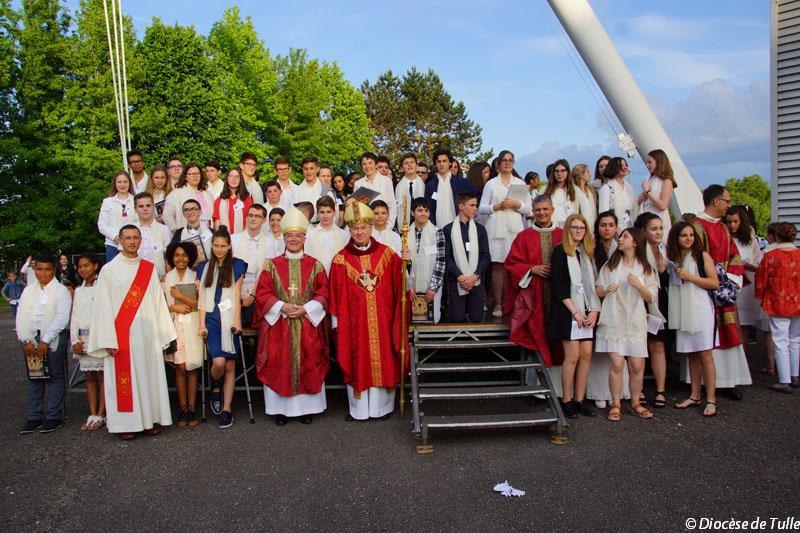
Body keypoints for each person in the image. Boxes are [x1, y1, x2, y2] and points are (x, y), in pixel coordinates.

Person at [87, 225, 177, 439]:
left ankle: (149, 420)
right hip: (121, 336)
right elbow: (103, 306)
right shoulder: (109, 270)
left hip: (147, 334)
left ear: (140, 240)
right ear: (119, 240)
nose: (132, 241)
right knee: (125, 382)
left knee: (149, 377)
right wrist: (108, 338)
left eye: (136, 237)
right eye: (127, 238)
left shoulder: (148, 268)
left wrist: (162, 334)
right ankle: (126, 425)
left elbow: (158, 302)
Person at [329, 201, 406, 421]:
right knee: (357, 359)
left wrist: (405, 264)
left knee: (383, 358)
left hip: (383, 320)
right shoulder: (340, 259)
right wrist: (337, 324)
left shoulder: (387, 254)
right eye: (355, 228)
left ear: (371, 228)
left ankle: (382, 408)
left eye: (363, 227)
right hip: (355, 324)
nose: (360, 232)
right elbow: (335, 294)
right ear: (350, 230)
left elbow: (400, 285)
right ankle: (359, 410)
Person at [254, 208, 330, 425]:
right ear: (284, 238)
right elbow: (262, 293)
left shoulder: (315, 265)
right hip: (280, 325)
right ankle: (281, 410)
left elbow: (324, 293)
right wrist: (282, 306)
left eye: (298, 235)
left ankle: (307, 409)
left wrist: (306, 309)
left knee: (309, 361)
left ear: (305, 238)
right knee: (279, 364)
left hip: (308, 325)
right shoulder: (271, 265)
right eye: (289, 235)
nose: (294, 239)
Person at [691, 184, 751, 399]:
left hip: (724, 289)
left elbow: (734, 256)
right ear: (716, 201)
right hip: (703, 289)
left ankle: (728, 380)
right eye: (727, 201)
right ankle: (702, 384)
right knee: (706, 337)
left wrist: (731, 279)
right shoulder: (696, 227)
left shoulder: (724, 228)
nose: (728, 205)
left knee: (727, 333)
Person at [595, 227, 658, 421]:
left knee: (637, 365)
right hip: (614, 318)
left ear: (635, 242)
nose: (620, 239)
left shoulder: (645, 268)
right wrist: (607, 289)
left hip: (635, 320)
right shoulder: (611, 265)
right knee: (617, 363)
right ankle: (616, 403)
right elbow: (598, 290)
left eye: (625, 237)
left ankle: (635, 402)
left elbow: (651, 297)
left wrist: (639, 285)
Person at [549, 213, 601, 418]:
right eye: (575, 227)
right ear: (568, 229)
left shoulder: (587, 253)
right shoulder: (560, 251)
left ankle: (580, 399)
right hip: (568, 311)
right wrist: (576, 312)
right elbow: (558, 286)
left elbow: (593, 285)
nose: (578, 231)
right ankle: (567, 400)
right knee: (572, 357)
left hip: (587, 310)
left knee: (586, 355)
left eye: (582, 228)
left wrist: (594, 310)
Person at [667, 222, 720, 416]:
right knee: (691, 354)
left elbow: (714, 282)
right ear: (676, 238)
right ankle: (695, 394)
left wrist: (690, 277)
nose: (688, 238)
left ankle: (711, 399)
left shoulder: (702, 256)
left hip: (701, 309)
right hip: (683, 309)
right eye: (684, 235)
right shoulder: (674, 258)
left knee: (705, 354)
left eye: (691, 235)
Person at [504, 194, 563, 367]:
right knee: (536, 331)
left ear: (552, 210)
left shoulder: (563, 235)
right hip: (534, 294)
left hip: (559, 295)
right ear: (533, 212)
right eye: (538, 210)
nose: (542, 213)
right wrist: (531, 269)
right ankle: (537, 370)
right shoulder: (523, 237)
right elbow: (511, 264)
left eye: (545, 209)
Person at [197, 228, 247, 429]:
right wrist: (201, 323)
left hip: (229, 318)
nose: (219, 249)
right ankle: (215, 383)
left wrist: (237, 321)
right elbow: (202, 297)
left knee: (229, 366)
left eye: (223, 246)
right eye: (216, 245)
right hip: (211, 318)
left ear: (229, 246)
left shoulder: (237, 265)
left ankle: (227, 409)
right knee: (218, 363)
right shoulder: (203, 267)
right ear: (211, 246)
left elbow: (236, 295)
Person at [17, 253, 72, 434]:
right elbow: (21, 316)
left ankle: (54, 415)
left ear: (53, 270)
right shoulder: (28, 291)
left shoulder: (60, 291)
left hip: (53, 338)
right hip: (31, 338)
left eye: (47, 269)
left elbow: (61, 318)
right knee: (35, 377)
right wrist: (26, 339)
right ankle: (34, 416)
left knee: (55, 376)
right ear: (35, 270)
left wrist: (46, 340)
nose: (43, 273)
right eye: (40, 269)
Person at [480, 150, 532, 318]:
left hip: (514, 228)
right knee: (497, 265)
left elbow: (529, 209)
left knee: (514, 266)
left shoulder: (520, 183)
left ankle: (513, 301)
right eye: (504, 160)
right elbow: (481, 208)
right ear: (499, 163)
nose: (507, 163)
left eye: (510, 160)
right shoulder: (491, 184)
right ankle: (498, 302)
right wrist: (496, 207)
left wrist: (516, 204)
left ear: (513, 163)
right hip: (496, 227)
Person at [755, 222, 800, 393]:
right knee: (795, 339)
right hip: (798, 301)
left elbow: (761, 279)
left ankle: (784, 380)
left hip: (778, 301)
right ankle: (794, 375)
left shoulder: (771, 256)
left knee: (781, 341)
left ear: (777, 236)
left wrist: (760, 295)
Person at [163, 241, 202, 427]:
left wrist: (180, 297)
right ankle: (182, 407)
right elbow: (160, 305)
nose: (180, 259)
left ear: (190, 257)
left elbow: (200, 304)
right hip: (174, 325)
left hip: (193, 323)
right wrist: (173, 307)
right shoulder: (166, 278)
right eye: (177, 255)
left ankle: (192, 408)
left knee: (192, 367)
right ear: (172, 257)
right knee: (180, 367)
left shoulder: (196, 276)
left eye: (184, 255)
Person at [635, 212, 669, 408]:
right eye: (653, 229)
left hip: (659, 301)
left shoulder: (665, 250)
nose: (658, 232)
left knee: (658, 345)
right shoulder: (638, 250)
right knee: (639, 346)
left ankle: (660, 390)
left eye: (660, 228)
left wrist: (663, 270)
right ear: (643, 231)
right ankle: (638, 389)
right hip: (640, 301)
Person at [443, 192, 491, 322]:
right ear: (461, 206)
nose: (476, 208)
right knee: (457, 318)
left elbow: (486, 256)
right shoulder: (448, 229)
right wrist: (460, 276)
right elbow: (447, 257)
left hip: (476, 279)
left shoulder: (480, 229)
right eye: (472, 205)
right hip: (457, 280)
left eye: (476, 205)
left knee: (476, 318)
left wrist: (475, 276)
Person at [70, 253, 105, 431]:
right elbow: (74, 316)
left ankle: (102, 413)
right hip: (82, 338)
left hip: (98, 337)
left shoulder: (102, 287)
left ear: (95, 266)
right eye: (80, 266)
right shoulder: (79, 290)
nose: (83, 269)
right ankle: (92, 412)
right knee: (89, 376)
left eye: (87, 265)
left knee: (102, 376)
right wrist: (74, 340)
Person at [402, 198, 445, 323]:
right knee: (411, 320)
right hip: (411, 287)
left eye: (426, 211)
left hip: (431, 287)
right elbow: (402, 263)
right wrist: (408, 286)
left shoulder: (437, 233)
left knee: (432, 319)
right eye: (420, 210)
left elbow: (440, 262)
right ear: (412, 213)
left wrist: (433, 287)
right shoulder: (405, 233)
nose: (423, 214)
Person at [726, 205, 762, 344]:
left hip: (746, 286)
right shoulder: (724, 238)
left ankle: (743, 355)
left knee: (743, 326)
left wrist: (748, 266)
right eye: (729, 222)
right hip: (727, 285)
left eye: (735, 221)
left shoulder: (750, 240)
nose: (732, 225)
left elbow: (758, 261)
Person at [232, 204, 271, 324]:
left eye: (258, 216)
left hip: (258, 291)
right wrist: (236, 294)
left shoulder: (270, 243)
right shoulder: (233, 239)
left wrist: (253, 296)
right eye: (250, 215)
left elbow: (266, 272)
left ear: (264, 220)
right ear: (246, 218)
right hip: (234, 290)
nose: (253, 219)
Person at [425, 148, 476, 227]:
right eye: (439, 161)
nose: (441, 164)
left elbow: (476, 197)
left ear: (450, 163)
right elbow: (428, 208)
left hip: (459, 226)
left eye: (444, 161)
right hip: (437, 228)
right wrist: (432, 226)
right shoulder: (430, 186)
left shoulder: (461, 182)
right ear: (435, 164)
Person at [162, 163, 214, 232]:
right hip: (186, 233)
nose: (195, 176)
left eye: (198, 173)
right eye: (192, 174)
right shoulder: (177, 193)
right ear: (185, 177)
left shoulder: (207, 193)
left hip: (207, 232)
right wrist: (175, 231)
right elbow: (167, 215)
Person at [97, 171, 137, 261]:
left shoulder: (136, 201)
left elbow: (139, 222)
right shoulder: (107, 202)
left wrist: (131, 238)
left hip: (133, 244)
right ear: (115, 184)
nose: (122, 185)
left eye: (125, 182)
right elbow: (102, 225)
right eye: (119, 182)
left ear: (129, 183)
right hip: (113, 246)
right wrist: (116, 237)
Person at [638, 149, 676, 243]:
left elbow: (663, 205)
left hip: (659, 220)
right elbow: (639, 201)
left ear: (659, 162)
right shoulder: (651, 179)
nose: (647, 165)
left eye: (650, 162)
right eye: (647, 162)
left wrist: (648, 192)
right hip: (647, 221)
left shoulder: (667, 180)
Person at [305, 196, 348, 274]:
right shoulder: (310, 235)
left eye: (328, 212)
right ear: (317, 213)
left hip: (338, 275)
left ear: (334, 212)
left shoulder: (343, 235)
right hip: (317, 276)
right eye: (322, 212)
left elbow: (347, 259)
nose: (325, 216)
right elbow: (307, 259)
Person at [354, 152, 397, 229]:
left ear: (376, 165)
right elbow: (356, 208)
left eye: (370, 163)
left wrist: (389, 225)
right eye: (364, 164)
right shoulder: (358, 184)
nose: (367, 166)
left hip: (384, 224)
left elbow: (392, 205)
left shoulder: (386, 181)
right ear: (361, 167)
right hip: (366, 225)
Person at [134, 192, 172, 279]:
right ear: (135, 209)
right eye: (141, 206)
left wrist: (168, 277)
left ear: (153, 207)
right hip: (134, 278)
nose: (145, 209)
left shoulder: (164, 229)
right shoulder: (129, 230)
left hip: (158, 278)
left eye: (148, 205)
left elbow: (168, 257)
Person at [170, 199, 213, 266]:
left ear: (200, 212)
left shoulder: (211, 232)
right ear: (183, 214)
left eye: (193, 209)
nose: (190, 212)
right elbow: (172, 254)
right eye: (186, 210)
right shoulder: (179, 233)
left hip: (208, 268)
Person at [598, 157, 636, 230]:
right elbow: (603, 214)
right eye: (621, 165)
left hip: (628, 225)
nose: (625, 167)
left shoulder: (629, 188)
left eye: (626, 165)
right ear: (614, 167)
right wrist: (617, 230)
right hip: (613, 228)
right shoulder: (607, 188)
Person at [212, 168, 253, 234]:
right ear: (227, 179)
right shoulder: (219, 201)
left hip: (242, 237)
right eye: (231, 176)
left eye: (237, 177)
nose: (233, 179)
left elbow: (249, 221)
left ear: (240, 180)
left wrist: (243, 237)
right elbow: (217, 224)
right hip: (224, 238)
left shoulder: (247, 200)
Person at [541, 159, 578, 228]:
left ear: (567, 172)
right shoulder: (545, 189)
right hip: (551, 227)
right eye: (557, 171)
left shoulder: (574, 190)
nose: (559, 174)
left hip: (569, 227)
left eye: (562, 170)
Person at [394, 153, 426, 232]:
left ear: (416, 165)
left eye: (412, 162)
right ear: (402, 168)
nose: (409, 165)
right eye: (406, 163)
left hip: (422, 226)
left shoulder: (424, 185)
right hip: (404, 227)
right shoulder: (398, 187)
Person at [571, 163, 597, 230]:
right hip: (579, 227)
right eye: (588, 172)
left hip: (593, 228)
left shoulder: (591, 191)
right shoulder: (573, 191)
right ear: (581, 175)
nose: (590, 175)